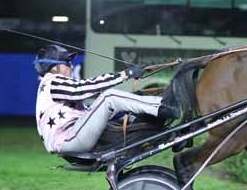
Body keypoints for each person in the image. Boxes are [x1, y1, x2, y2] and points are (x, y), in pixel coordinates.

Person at [34, 44, 177, 155]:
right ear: (54, 68)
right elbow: (82, 88)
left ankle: (170, 134)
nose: (71, 66)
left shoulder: (56, 86)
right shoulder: (52, 81)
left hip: (74, 135)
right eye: (67, 62)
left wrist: (133, 100)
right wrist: (125, 74)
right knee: (109, 97)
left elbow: (92, 113)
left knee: (121, 105)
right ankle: (162, 106)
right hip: (69, 139)